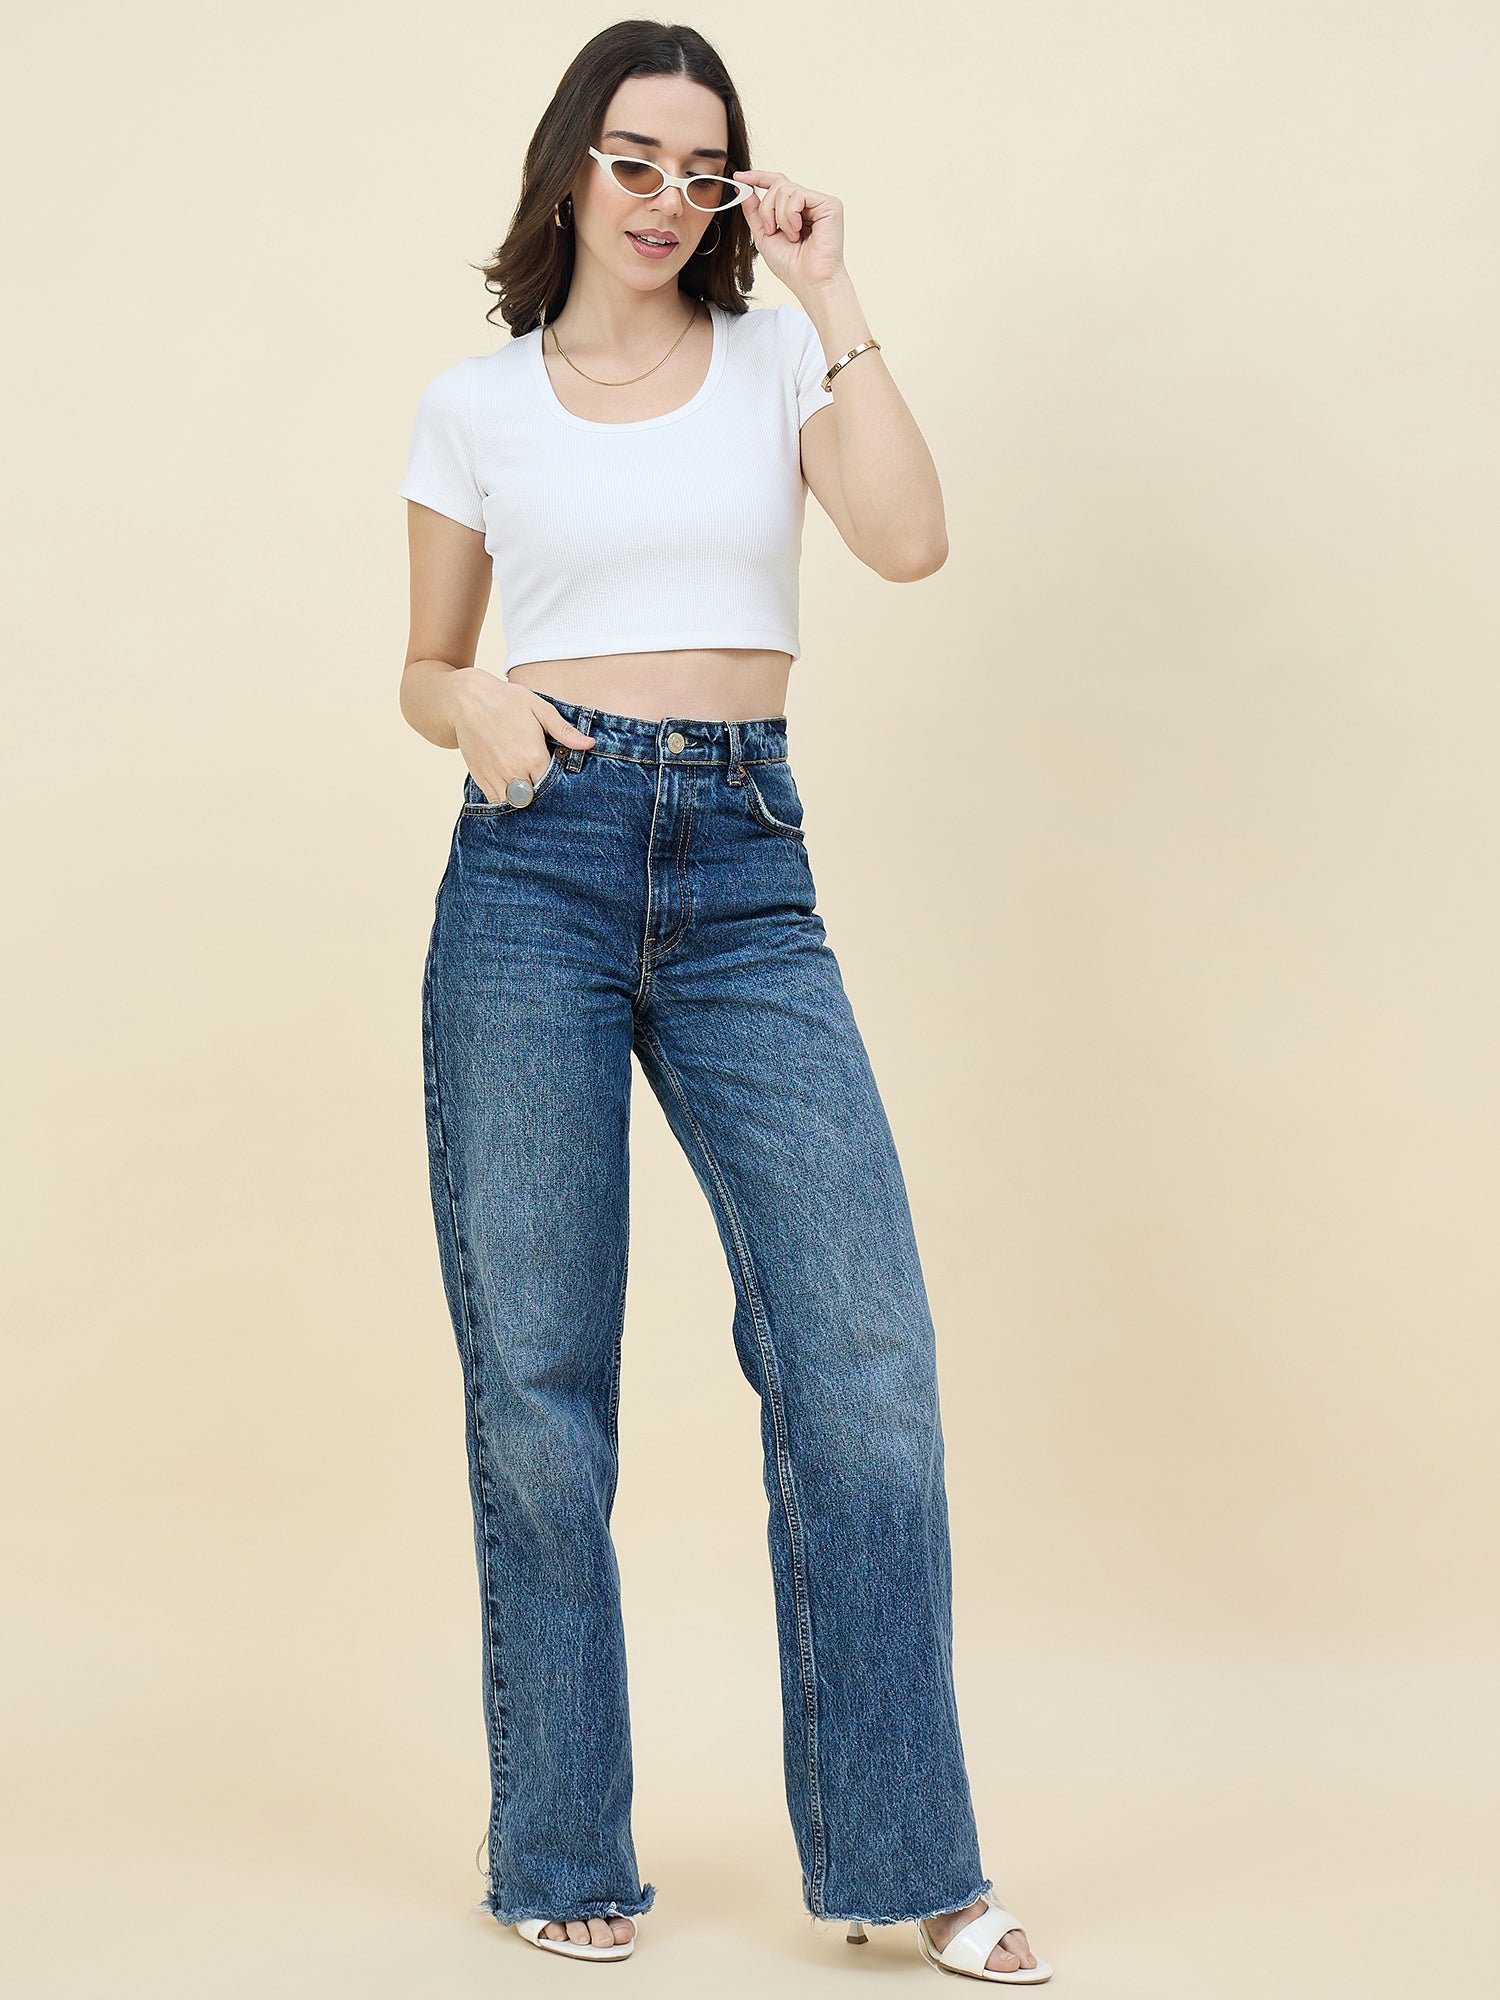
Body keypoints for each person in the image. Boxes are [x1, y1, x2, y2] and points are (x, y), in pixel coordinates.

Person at [397, 19, 1051, 1986]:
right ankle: (557, 1846)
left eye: (704, 166)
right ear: (570, 174)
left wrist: (839, 284)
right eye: (633, 159)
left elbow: (911, 540)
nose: (668, 194)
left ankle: (898, 1859)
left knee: (862, 1363)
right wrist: (477, 703)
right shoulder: (474, 404)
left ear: (739, 190)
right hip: (536, 870)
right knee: (540, 1391)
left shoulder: (778, 356)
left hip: (752, 873)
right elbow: (421, 666)